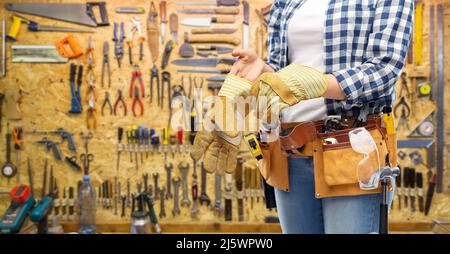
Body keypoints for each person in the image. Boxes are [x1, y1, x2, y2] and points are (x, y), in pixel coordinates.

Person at [191, 0, 413, 234]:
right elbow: (279, 75)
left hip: (352, 152)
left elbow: (384, 69)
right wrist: (259, 74)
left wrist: (318, 84)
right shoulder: (285, 3)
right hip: (290, 153)